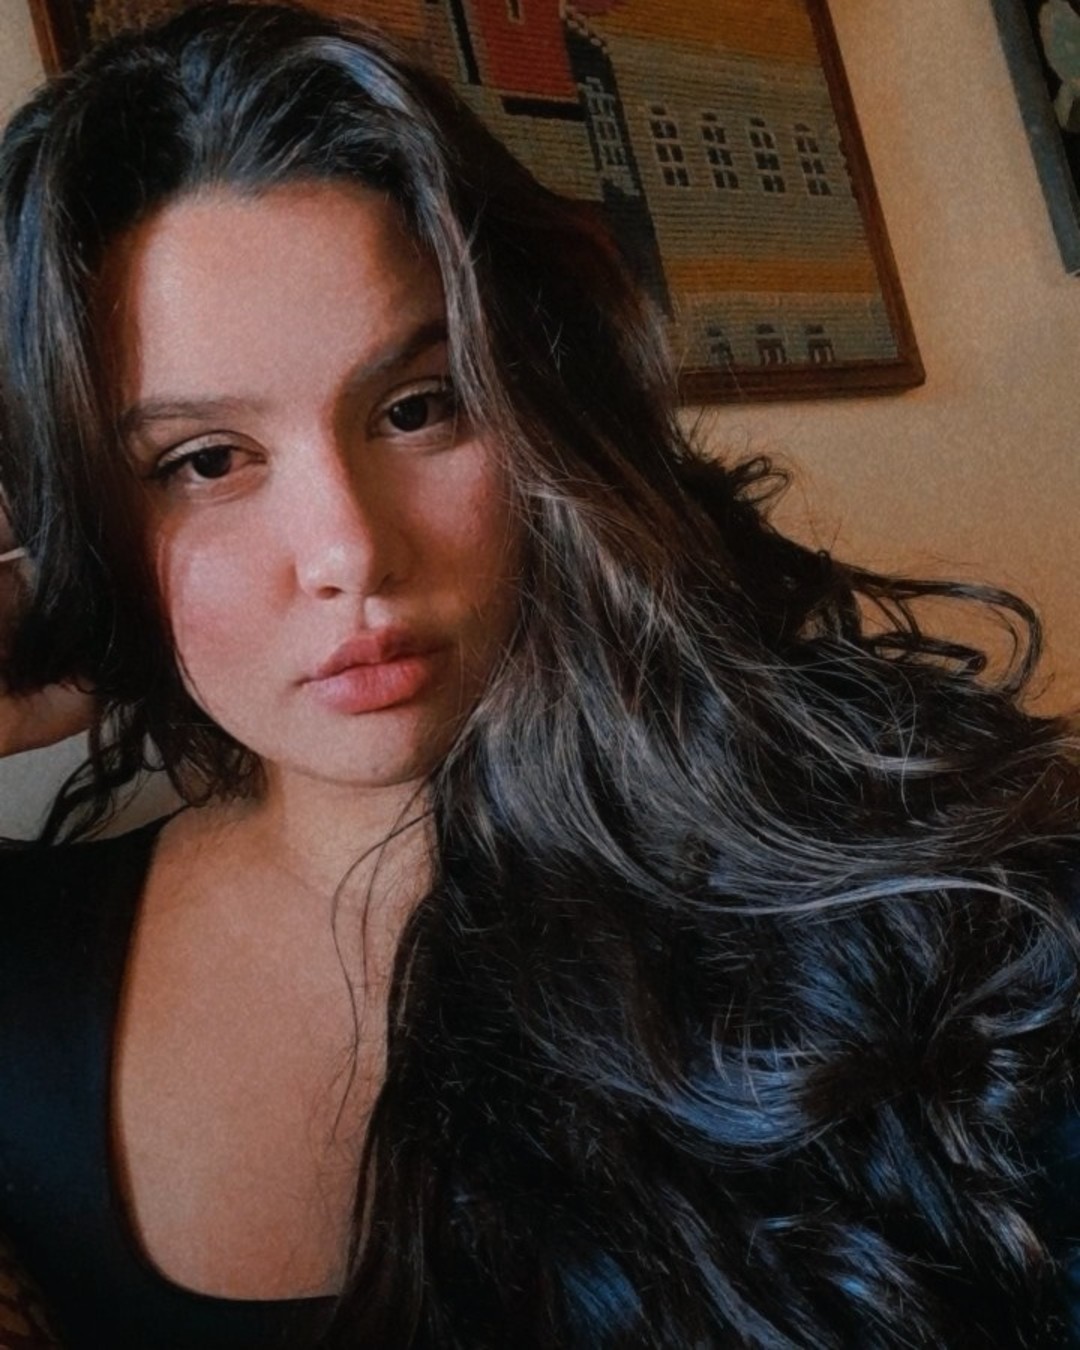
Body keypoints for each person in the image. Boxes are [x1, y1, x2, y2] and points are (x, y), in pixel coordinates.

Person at [0, 4, 1079, 1347]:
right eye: (204, 461)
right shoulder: (32, 962)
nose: (348, 552)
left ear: (539, 405)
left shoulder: (913, 887)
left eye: (419, 407)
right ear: (82, 514)